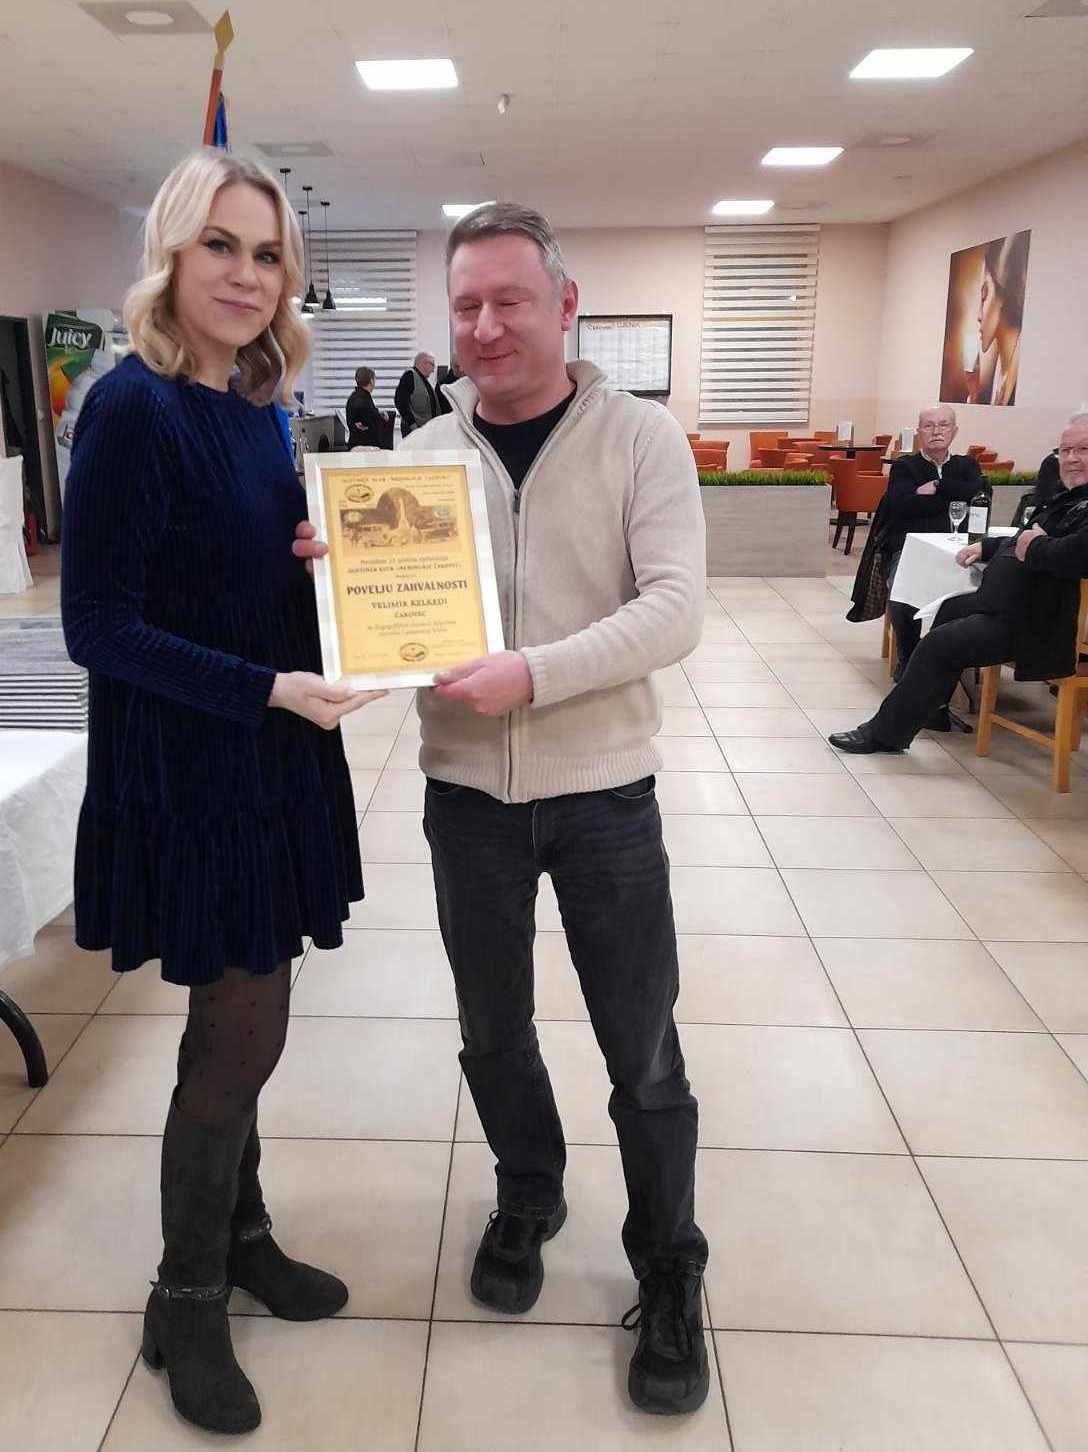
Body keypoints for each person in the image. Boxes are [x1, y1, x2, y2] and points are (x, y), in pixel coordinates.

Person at [303, 202, 711, 1414]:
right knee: (492, 1027)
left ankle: (669, 1260)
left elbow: (675, 609)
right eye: (465, 305)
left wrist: (535, 674)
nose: (484, 326)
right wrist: (338, 590)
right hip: (467, 796)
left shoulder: (641, 439)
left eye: (509, 300)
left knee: (642, 1045)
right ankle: (529, 1191)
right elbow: (394, 615)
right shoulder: (420, 457)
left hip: (605, 796)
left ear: (564, 303)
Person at [61, 148, 384, 1436]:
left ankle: (240, 1237)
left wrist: (314, 567)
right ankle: (185, 1295)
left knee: (256, 1016)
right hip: (196, 765)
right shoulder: (130, 408)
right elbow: (98, 626)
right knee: (237, 1033)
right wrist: (267, 686)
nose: (248, 276)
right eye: (221, 246)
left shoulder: (258, 404)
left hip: (270, 752)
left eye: (267, 254)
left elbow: (232, 578)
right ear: (171, 252)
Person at [830, 416, 1088, 757]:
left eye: (1083, 450)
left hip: (1037, 621)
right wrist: (988, 547)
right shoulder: (1065, 498)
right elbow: (1023, 537)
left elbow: (1074, 555)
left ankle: (885, 734)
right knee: (945, 608)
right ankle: (931, 707)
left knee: (939, 644)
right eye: (1065, 450)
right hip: (1007, 603)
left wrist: (1034, 545)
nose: (1071, 459)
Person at [879, 405, 984, 691]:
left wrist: (936, 487)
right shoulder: (905, 467)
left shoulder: (967, 465)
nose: (937, 431)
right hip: (911, 549)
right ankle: (909, 657)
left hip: (961, 550)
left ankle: (952, 657)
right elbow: (902, 506)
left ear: (954, 430)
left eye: (943, 425)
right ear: (919, 432)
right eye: (929, 425)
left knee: (985, 587)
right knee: (900, 592)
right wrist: (953, 494)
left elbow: (979, 496)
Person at [966, 232, 1029, 407]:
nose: (979, 316)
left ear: (1004, 291)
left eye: (984, 296)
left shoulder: (1023, 375)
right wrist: (973, 394)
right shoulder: (994, 376)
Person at [345, 365, 392, 447]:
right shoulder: (365, 400)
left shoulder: (353, 397)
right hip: (365, 447)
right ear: (371, 381)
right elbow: (372, 422)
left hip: (354, 444)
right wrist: (383, 417)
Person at [394, 350, 437, 435]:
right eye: (432, 365)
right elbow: (400, 401)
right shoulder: (409, 375)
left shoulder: (424, 380)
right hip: (415, 431)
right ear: (423, 363)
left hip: (424, 430)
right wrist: (412, 424)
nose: (433, 370)